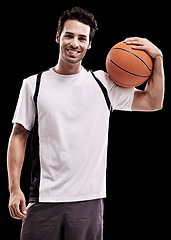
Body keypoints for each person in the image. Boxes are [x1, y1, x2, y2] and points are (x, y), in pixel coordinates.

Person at [7, 6, 164, 240]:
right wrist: (14, 188)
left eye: (82, 38)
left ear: (89, 44)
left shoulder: (104, 84)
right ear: (58, 36)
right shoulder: (34, 84)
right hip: (43, 198)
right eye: (69, 35)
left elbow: (153, 101)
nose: (75, 43)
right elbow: (19, 136)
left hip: (88, 200)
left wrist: (158, 58)